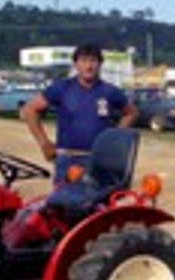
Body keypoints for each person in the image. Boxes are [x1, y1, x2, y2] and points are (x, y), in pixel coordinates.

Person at [21, 42, 136, 182]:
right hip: (68, 160)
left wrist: (115, 137)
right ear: (76, 64)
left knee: (100, 202)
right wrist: (44, 142)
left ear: (100, 64)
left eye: (93, 61)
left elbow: (131, 113)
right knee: (64, 202)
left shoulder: (110, 91)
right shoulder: (62, 88)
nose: (89, 66)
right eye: (84, 61)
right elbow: (30, 110)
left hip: (99, 160)